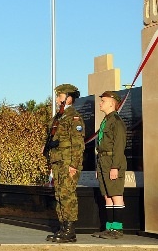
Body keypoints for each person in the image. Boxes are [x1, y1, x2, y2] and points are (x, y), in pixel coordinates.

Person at [45, 83, 86, 243]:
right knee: (60, 195)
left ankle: (70, 230)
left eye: (59, 96)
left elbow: (78, 144)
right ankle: (62, 227)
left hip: (68, 162)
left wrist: (74, 165)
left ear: (68, 98)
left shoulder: (74, 117)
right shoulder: (58, 117)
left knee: (68, 195)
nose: (56, 99)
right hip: (58, 161)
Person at [92, 91, 127, 239]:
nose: (100, 103)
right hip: (103, 161)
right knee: (107, 195)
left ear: (112, 103)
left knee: (116, 194)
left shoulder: (116, 121)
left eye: (103, 101)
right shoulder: (106, 121)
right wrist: (98, 167)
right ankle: (109, 228)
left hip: (113, 161)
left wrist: (115, 167)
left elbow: (119, 146)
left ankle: (117, 229)